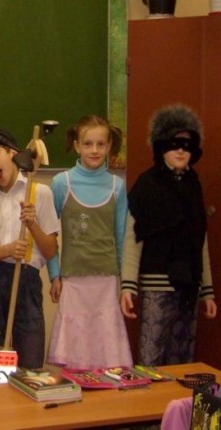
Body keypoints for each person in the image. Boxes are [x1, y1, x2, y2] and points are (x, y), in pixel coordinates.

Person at [120, 105, 217, 366]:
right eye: (174, 145)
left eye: (186, 145)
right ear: (161, 147)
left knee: (182, 358)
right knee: (151, 356)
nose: (181, 151)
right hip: (156, 285)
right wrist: (128, 285)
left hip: (189, 287)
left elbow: (200, 240)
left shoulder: (194, 186)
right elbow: (133, 238)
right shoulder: (147, 185)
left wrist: (207, 291)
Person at [45, 115, 133, 370]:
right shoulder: (61, 183)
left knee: (107, 357)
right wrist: (54, 274)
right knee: (76, 356)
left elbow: (121, 237)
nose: (94, 150)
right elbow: (49, 233)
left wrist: (124, 284)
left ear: (109, 146)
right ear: (77, 146)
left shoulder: (117, 186)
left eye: (100, 144)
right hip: (73, 280)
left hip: (107, 281)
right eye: (87, 144)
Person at [0, 128, 59, 369]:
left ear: (12, 153)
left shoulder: (40, 193)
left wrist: (32, 224)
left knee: (31, 361)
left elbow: (50, 251)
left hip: (27, 284)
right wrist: (8, 250)